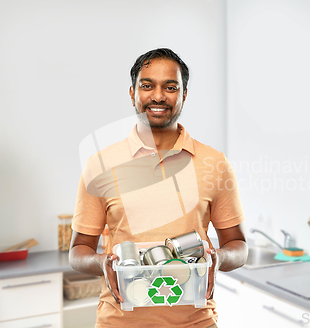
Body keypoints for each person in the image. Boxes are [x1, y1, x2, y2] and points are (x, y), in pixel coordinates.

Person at [69, 48, 248, 328]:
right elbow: (79, 251)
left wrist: (218, 258)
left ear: (184, 95)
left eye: (171, 87)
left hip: (196, 322)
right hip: (118, 322)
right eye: (147, 85)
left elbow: (238, 246)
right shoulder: (100, 165)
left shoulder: (214, 163)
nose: (158, 96)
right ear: (132, 93)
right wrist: (104, 263)